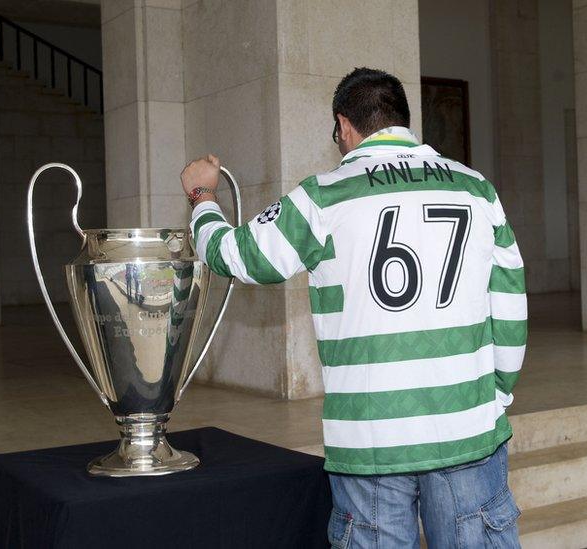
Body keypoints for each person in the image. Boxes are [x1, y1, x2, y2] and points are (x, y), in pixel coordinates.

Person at [180, 67, 525, 549]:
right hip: (467, 426)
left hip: (370, 435)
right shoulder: (476, 189)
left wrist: (202, 195)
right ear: (404, 121)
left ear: (344, 126)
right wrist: (494, 399)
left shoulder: (323, 197)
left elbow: (234, 256)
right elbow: (509, 308)